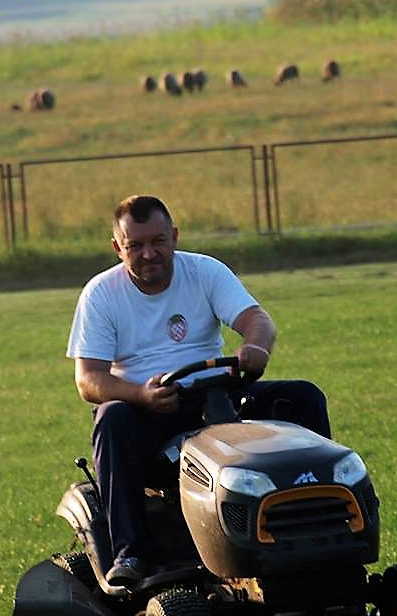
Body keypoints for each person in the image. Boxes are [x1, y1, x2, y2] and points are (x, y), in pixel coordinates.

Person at [66, 194, 331, 587]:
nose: (149, 254)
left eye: (158, 241)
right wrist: (141, 394)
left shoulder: (205, 271)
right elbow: (89, 380)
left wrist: (254, 348)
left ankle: (318, 520)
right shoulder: (101, 293)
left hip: (217, 397)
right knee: (111, 417)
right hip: (146, 409)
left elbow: (257, 320)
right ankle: (131, 553)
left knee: (303, 397)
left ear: (174, 236)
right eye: (135, 245)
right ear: (117, 247)